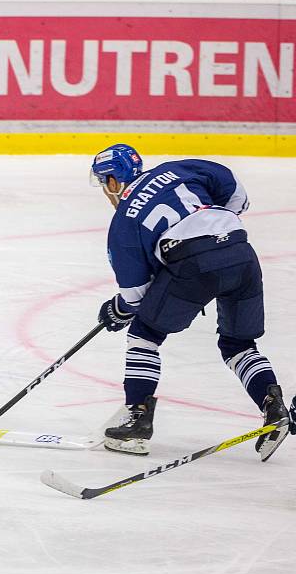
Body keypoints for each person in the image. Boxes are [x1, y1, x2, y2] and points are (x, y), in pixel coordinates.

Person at [90, 143, 293, 459]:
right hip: (241, 253)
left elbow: (135, 297)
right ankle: (273, 405)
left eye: (105, 184)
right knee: (239, 344)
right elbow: (237, 195)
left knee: (145, 334)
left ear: (113, 182)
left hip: (193, 267)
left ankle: (137, 420)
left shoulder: (124, 221)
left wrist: (118, 310)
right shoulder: (182, 168)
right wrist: (210, 230)